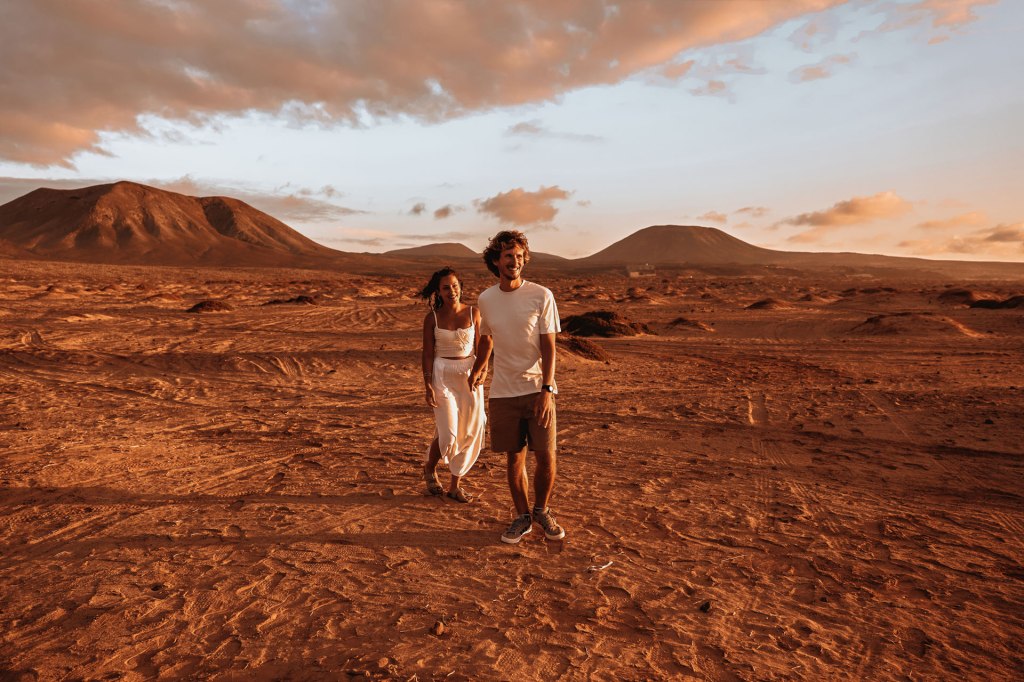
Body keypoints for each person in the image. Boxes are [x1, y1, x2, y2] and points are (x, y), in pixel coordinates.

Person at [469, 231, 565, 544]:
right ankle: (522, 516)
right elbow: (487, 337)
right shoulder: (486, 299)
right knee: (514, 459)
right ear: (496, 261)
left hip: (538, 389)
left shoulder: (541, 295)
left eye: (520, 256)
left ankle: (542, 510)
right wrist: (480, 367)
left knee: (546, 456)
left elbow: (549, 346)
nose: (516, 262)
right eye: (509, 256)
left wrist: (547, 390)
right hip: (503, 393)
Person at [420, 266, 486, 503]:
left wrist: (482, 371)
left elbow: (484, 345)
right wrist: (427, 384)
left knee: (470, 429)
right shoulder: (432, 319)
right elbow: (427, 354)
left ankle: (455, 485)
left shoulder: (474, 313)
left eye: (455, 286)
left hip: (469, 376)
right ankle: (429, 467)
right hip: (443, 375)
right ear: (438, 291)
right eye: (446, 287)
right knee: (449, 434)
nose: (452, 291)